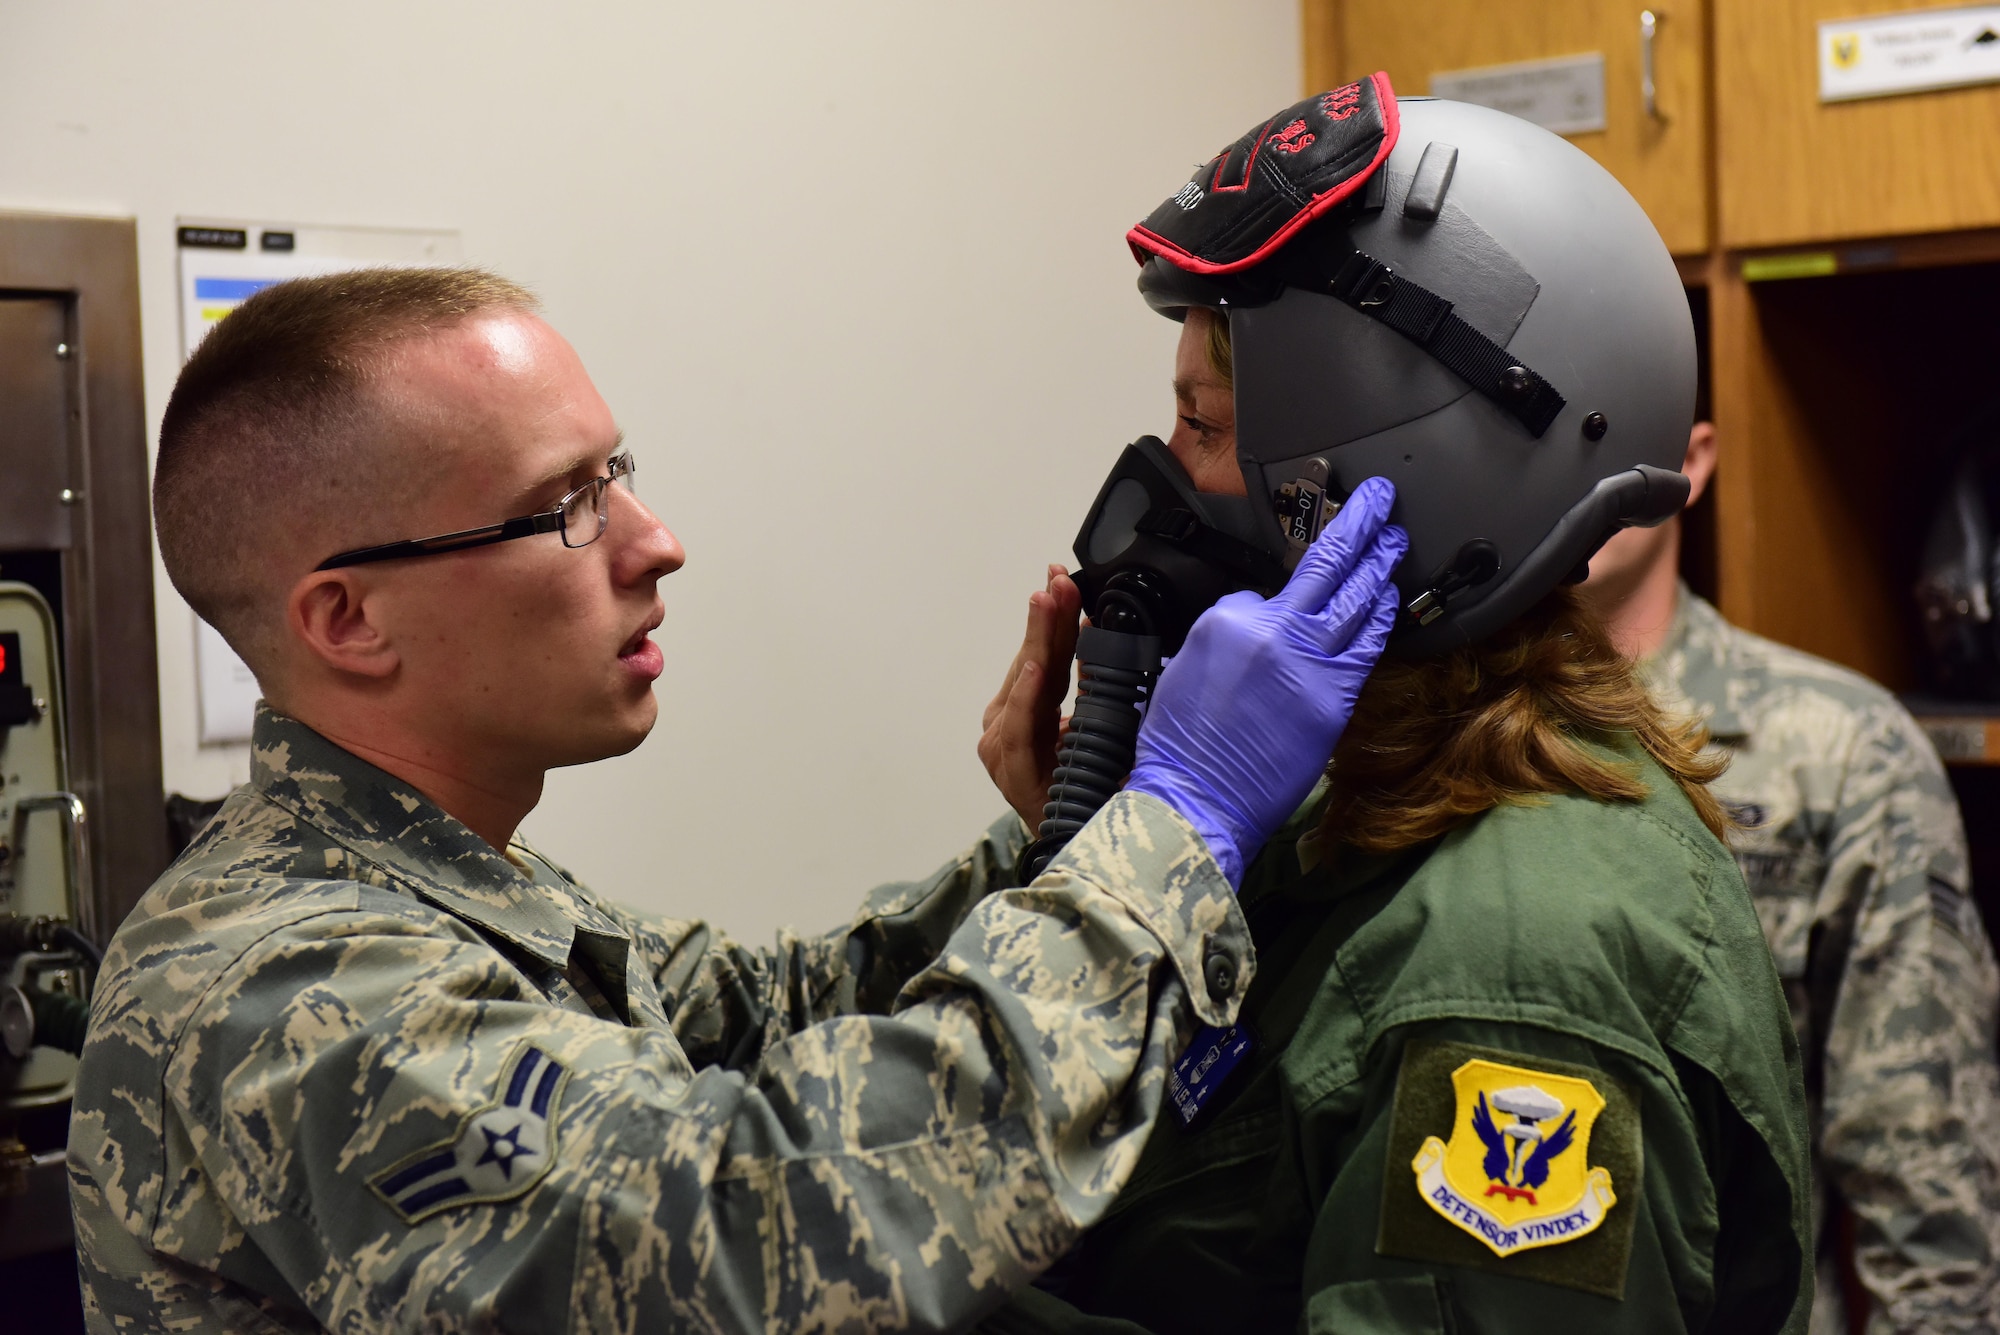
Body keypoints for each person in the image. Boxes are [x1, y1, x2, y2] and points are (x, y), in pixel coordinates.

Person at [66, 267, 1411, 1333]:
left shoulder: (446, 888)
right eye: (568, 504)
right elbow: (747, 1234)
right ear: (350, 619)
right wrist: (1175, 826)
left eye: (622, 471)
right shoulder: (278, 986)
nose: (657, 541)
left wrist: (1076, 824)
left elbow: (791, 1005)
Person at [979, 86, 1813, 1333]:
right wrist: (1105, 850)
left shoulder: (1514, 971)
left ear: (1387, 487)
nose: (1160, 480)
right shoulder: (1336, 806)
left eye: (1201, 426)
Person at [1579, 420, 2000, 1333]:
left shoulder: (1840, 750)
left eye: (1608, 424)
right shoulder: (1388, 739)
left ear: (1691, 458)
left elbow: (1923, 1180)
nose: (1573, 462)